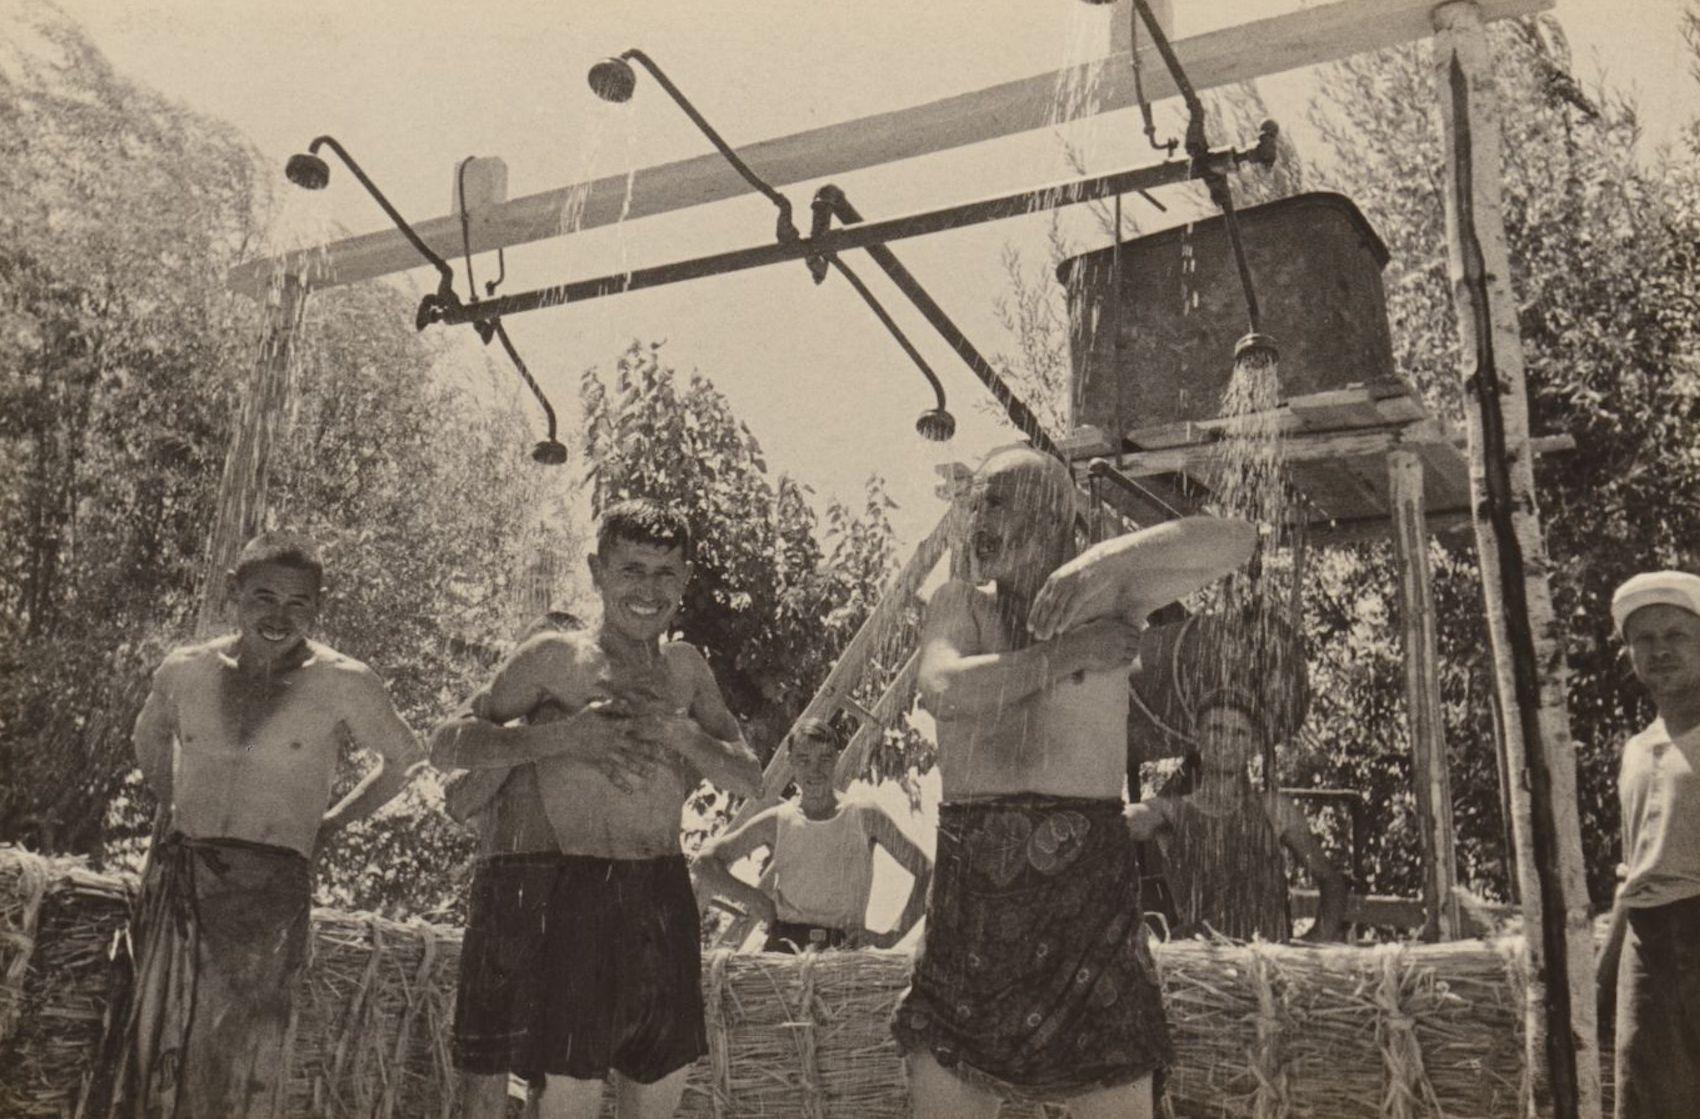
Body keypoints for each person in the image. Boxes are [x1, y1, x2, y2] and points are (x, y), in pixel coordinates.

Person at [891, 445, 1256, 1119]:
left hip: (1086, 900)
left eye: (995, 501)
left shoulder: (1108, 592)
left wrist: (1105, 559)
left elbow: (1236, 539)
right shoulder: (959, 603)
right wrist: (1068, 655)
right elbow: (943, 686)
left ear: (1059, 514)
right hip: (973, 905)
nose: (976, 521)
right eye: (974, 506)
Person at [431, 499, 762, 1119]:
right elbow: (448, 744)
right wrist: (562, 737)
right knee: (569, 1100)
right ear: (596, 571)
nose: (648, 589)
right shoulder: (557, 657)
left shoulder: (687, 667)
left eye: (666, 572)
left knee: (657, 1094)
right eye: (631, 569)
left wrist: (678, 732)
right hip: (579, 890)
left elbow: (750, 777)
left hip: (665, 892)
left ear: (686, 578)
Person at [94, 531, 424, 1118]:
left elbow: (404, 759)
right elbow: (148, 734)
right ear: (233, 593)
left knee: (240, 1060)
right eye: (263, 597)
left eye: (298, 603)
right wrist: (172, 804)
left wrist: (330, 825)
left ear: (318, 607)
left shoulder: (344, 681)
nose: (279, 616)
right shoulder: (186, 669)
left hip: (269, 892)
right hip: (182, 877)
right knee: (148, 1050)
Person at [437, 609, 583, 1119]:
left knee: (560, 1059)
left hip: (574, 889)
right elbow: (457, 802)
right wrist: (524, 738)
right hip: (502, 885)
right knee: (484, 1051)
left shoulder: (591, 726)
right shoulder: (491, 723)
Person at [1594, 571, 1700, 1119]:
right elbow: (1632, 872)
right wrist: (1604, 974)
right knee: (1645, 1102)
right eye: (1645, 640)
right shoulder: (1637, 751)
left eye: (1677, 636)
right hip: (1647, 947)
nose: (1660, 651)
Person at [694, 717, 933, 953]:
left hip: (843, 952)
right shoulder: (779, 820)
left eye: (825, 759)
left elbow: (928, 871)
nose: (815, 770)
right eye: (804, 760)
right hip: (784, 948)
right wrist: (759, 901)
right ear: (791, 763)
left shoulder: (864, 815)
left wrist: (892, 936)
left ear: (836, 759)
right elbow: (705, 862)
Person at [1133, 689, 1348, 942]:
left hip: (1265, 969)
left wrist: (1314, 942)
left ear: (1252, 746)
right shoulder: (1170, 811)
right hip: (1202, 970)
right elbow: (1115, 825)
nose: (1227, 741)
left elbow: (1331, 881)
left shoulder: (1275, 811)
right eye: (1216, 729)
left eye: (1239, 733)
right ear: (1197, 737)